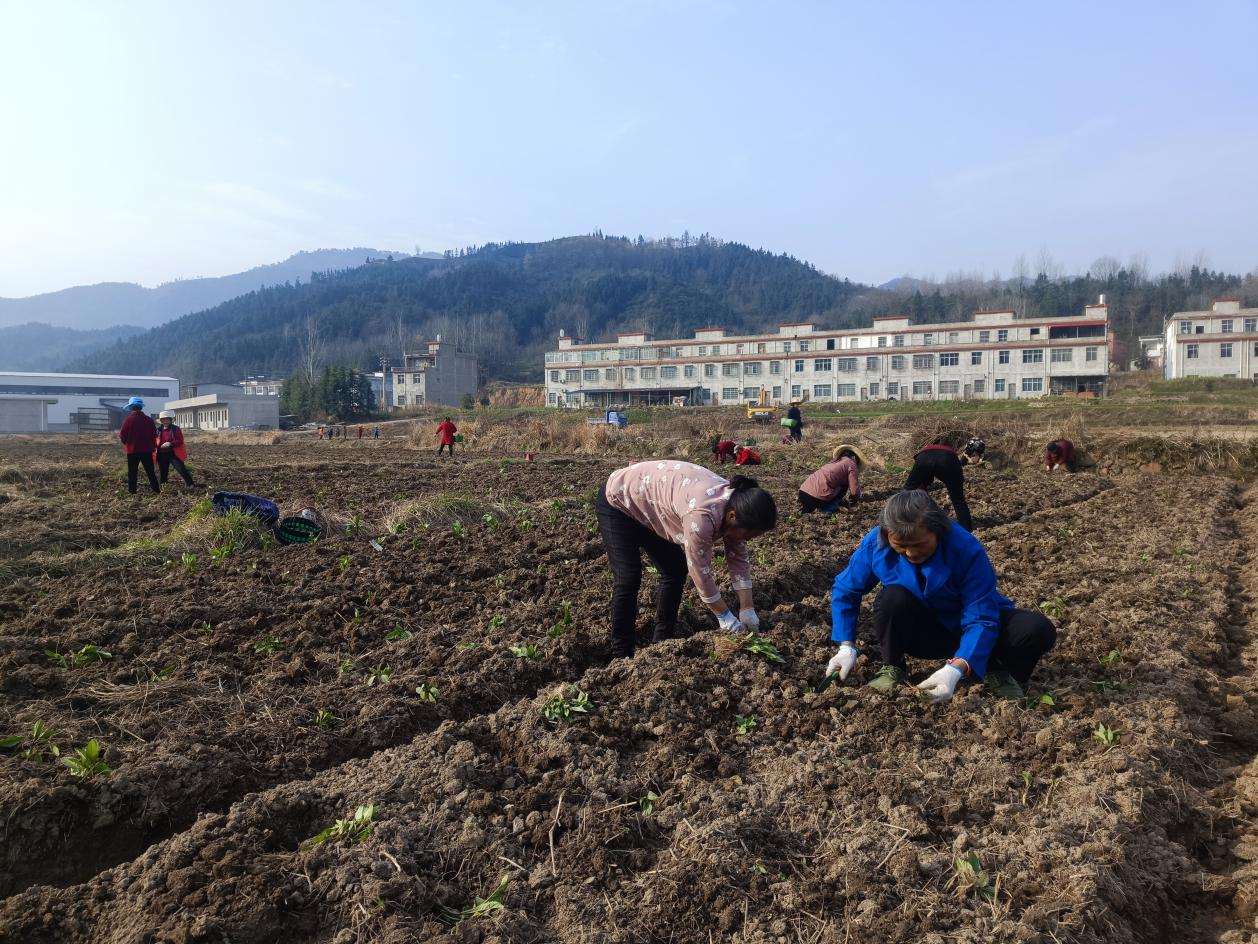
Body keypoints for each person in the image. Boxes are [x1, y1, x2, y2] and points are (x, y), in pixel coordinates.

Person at [824, 490, 1055, 701]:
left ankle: (1000, 671)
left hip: (967, 626)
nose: (911, 553)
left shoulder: (965, 549)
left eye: (919, 544)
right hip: (924, 632)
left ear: (938, 531)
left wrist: (955, 668)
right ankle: (893, 666)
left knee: (1036, 628)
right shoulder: (876, 544)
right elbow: (846, 589)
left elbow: (981, 616)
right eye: (901, 545)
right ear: (887, 535)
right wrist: (846, 646)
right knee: (891, 598)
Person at [596, 460, 778, 659]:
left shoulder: (736, 507)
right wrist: (724, 616)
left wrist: (747, 608)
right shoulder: (702, 516)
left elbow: (738, 558)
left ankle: (661, 641)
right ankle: (621, 653)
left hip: (650, 505)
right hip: (619, 500)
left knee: (674, 570)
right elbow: (700, 571)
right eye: (749, 534)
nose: (749, 540)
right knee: (628, 577)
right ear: (733, 516)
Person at [904, 439, 973, 531]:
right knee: (958, 500)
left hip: (924, 458)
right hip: (948, 460)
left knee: (907, 491)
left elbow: (921, 484)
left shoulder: (924, 451)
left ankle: (900, 520)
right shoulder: (952, 455)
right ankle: (966, 529)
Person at [799, 444, 865, 514]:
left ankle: (805, 510)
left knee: (809, 507)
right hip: (817, 498)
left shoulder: (833, 462)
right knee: (845, 485)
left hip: (802, 493)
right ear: (854, 457)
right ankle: (828, 509)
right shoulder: (851, 464)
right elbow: (854, 491)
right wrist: (853, 500)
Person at [118, 397, 159, 495]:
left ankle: (132, 492)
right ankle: (156, 490)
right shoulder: (149, 420)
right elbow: (155, 434)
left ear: (131, 407)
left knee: (132, 472)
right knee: (150, 472)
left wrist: (128, 444)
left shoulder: (128, 420)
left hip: (132, 451)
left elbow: (122, 435)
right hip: (147, 450)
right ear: (141, 407)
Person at [155, 411, 194, 486]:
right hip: (161, 454)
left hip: (173, 453)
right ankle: (164, 486)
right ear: (161, 421)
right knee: (163, 471)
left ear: (170, 420)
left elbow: (180, 440)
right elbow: (154, 440)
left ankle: (190, 484)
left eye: (167, 419)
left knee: (181, 469)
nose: (165, 421)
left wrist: (170, 443)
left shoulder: (176, 429)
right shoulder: (158, 430)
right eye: (163, 419)